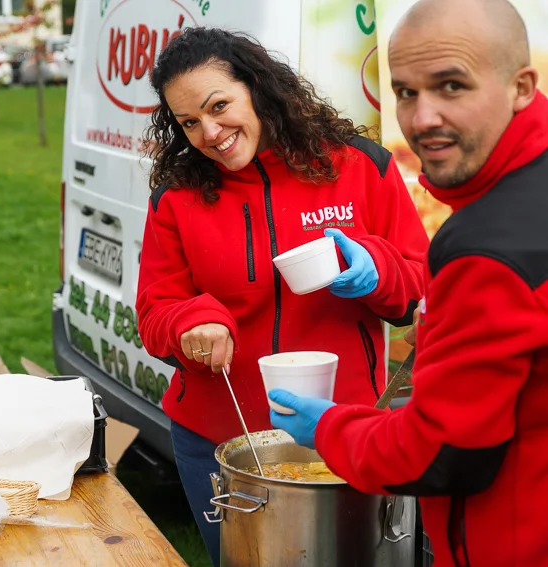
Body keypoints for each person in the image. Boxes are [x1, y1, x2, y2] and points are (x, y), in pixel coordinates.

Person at [135, 27, 429, 566]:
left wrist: (377, 271)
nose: (210, 132)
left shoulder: (360, 166)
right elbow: (155, 311)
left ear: (258, 86)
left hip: (348, 429)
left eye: (219, 105)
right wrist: (192, 323)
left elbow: (416, 287)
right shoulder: (176, 197)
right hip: (220, 442)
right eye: (189, 122)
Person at [269, 1, 548, 566]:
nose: (421, 119)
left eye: (451, 86)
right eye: (405, 91)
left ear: (521, 86)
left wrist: (330, 426)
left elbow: (442, 454)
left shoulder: (489, 249)